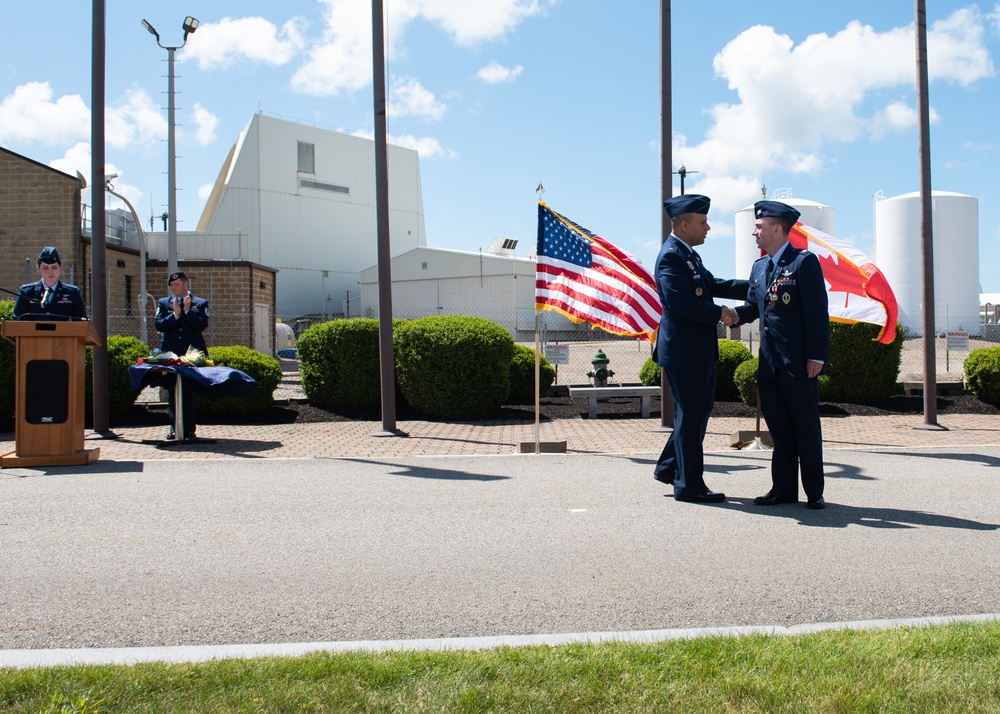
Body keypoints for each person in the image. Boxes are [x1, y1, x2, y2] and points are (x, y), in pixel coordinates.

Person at [732, 200, 829, 509]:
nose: (753, 232)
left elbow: (817, 312)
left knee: (806, 427)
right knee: (780, 430)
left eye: (759, 227)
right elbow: (751, 308)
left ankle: (814, 490)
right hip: (769, 366)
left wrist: (816, 354)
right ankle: (783, 488)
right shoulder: (759, 267)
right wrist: (728, 314)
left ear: (777, 228)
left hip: (799, 364)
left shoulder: (804, 263)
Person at [653, 194, 749, 503]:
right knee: (692, 415)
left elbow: (712, 284)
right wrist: (720, 313)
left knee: (695, 412)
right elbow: (680, 303)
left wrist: (758, 283)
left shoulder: (688, 255)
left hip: (695, 350)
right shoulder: (671, 256)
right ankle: (689, 485)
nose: (708, 228)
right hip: (684, 351)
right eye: (703, 222)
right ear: (684, 224)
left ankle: (670, 467)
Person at [154, 271, 210, 440]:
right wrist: (176, 314)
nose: (173, 288)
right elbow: (159, 325)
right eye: (171, 285)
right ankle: (174, 428)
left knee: (188, 390)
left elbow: (201, 325)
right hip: (171, 354)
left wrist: (187, 312)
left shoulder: (199, 303)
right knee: (173, 391)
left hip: (191, 355)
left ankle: (189, 429)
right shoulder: (164, 303)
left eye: (177, 285)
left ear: (186, 285)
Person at [13, 247, 87, 320]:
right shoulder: (27, 292)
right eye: (45, 268)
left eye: (54, 267)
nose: (50, 272)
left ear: (60, 266)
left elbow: (80, 322)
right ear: (38, 268)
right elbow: (19, 320)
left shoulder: (72, 292)